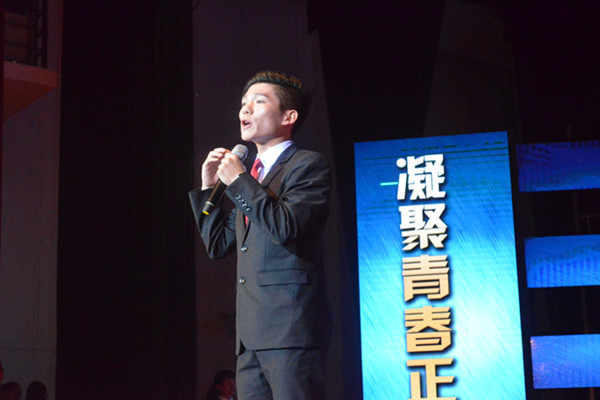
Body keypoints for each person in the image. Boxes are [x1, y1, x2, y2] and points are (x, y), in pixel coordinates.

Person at [189, 71, 331, 400]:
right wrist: (209, 188)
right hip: (249, 339)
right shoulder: (253, 178)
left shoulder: (307, 165)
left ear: (288, 116)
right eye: (243, 103)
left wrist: (240, 181)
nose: (245, 109)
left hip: (290, 331)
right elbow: (218, 245)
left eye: (259, 101)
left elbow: (285, 226)